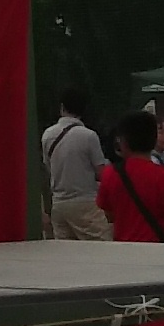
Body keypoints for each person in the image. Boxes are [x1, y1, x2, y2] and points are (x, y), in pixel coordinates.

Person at [98, 108, 164, 246]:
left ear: (123, 142)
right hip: (156, 250)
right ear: (153, 140)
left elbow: (110, 216)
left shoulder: (110, 174)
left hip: (122, 249)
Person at [41, 90, 111, 243]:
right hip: (85, 203)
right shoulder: (88, 136)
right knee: (102, 249)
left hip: (58, 204)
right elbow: (101, 172)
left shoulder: (47, 134)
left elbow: (48, 168)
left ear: (61, 107)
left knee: (67, 255)